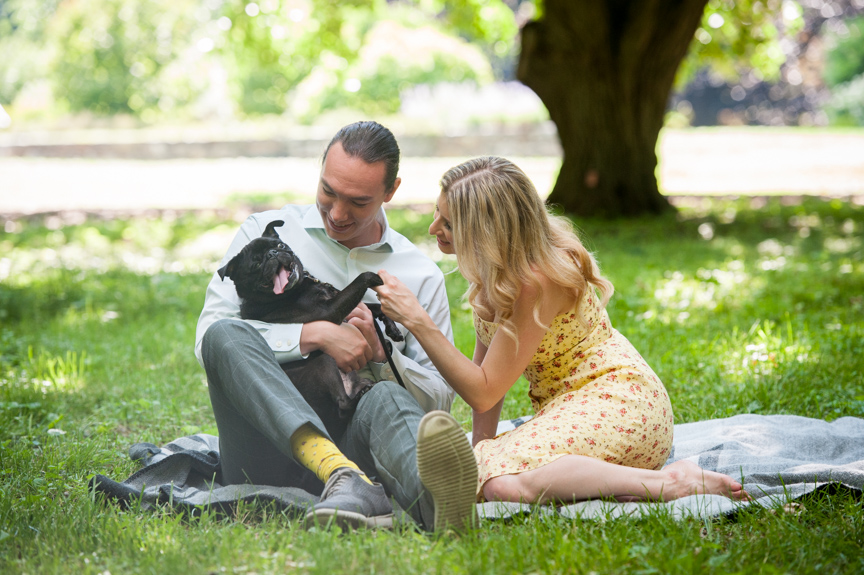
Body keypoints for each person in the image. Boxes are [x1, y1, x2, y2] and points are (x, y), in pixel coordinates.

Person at [373, 156, 750, 505]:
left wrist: (418, 321)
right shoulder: (499, 271)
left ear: (486, 232)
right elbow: (484, 383)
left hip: (622, 402)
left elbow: (484, 391)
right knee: (487, 474)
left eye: (449, 223)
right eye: (438, 214)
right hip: (572, 406)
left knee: (500, 484)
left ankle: (672, 484)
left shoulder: (534, 281)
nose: (433, 228)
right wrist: (482, 450)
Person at [195, 121, 477, 531]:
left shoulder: (419, 274)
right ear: (320, 171)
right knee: (226, 333)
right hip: (258, 451)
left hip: (357, 449)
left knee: (386, 398)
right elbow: (210, 342)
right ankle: (337, 473)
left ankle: (441, 508)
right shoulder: (264, 235)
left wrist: (384, 357)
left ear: (391, 191)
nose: (338, 213)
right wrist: (315, 335)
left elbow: (438, 402)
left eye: (359, 202)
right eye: (328, 191)